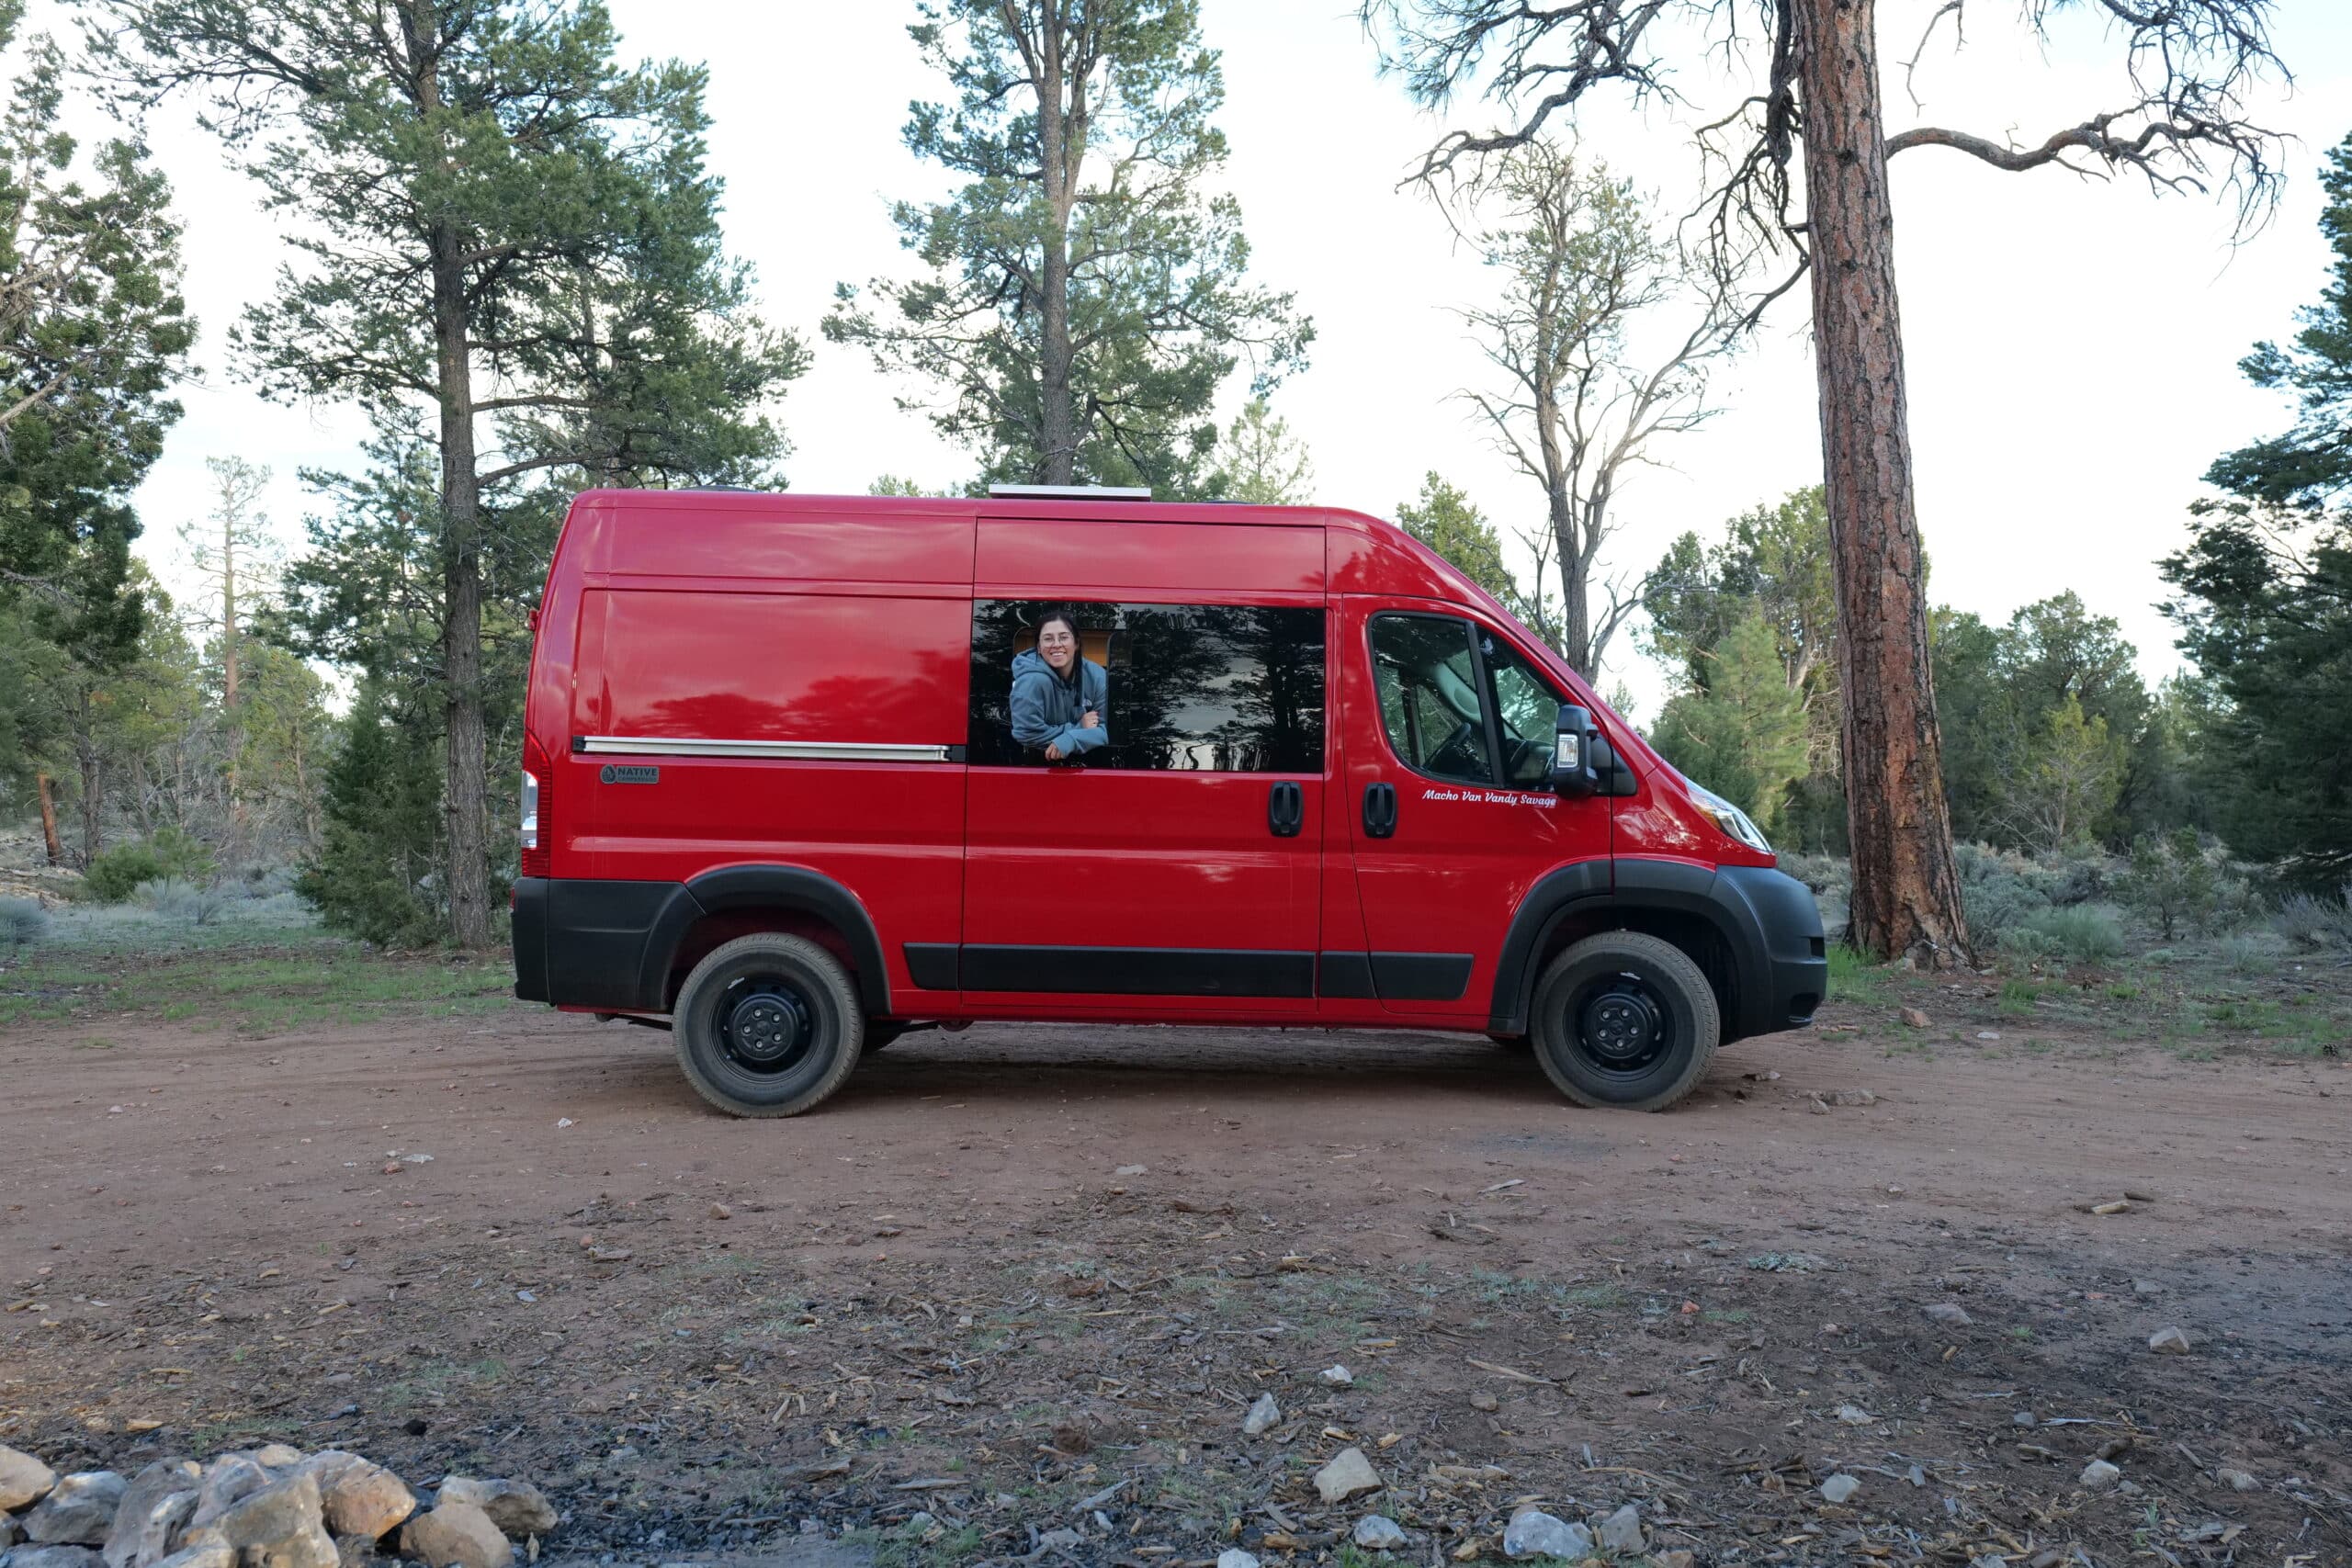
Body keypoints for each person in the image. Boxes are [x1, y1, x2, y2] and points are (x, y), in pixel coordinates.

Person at [1010, 610, 1109, 762]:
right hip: (1035, 768)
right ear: (1039, 647)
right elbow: (1026, 734)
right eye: (1048, 639)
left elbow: (1108, 729)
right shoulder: (1031, 680)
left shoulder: (1097, 676)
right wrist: (1078, 728)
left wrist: (1071, 740)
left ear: (1076, 643)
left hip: (1088, 769)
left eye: (1063, 637)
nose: (1056, 645)